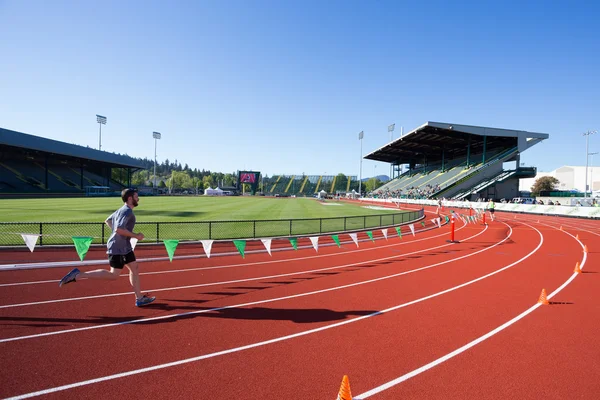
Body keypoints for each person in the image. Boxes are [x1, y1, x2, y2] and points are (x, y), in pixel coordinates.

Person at [59, 188, 156, 307]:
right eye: (136, 197)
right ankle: (79, 275)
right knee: (114, 275)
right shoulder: (127, 212)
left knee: (134, 268)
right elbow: (119, 229)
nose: (138, 199)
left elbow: (108, 221)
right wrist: (136, 236)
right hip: (118, 247)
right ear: (130, 198)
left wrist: (119, 235)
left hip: (124, 247)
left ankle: (139, 298)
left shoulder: (121, 210)